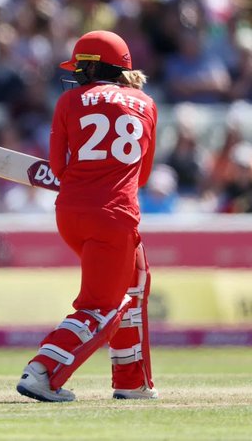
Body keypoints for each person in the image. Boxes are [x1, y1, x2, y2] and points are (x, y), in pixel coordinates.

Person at [16, 30, 158, 402]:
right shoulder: (146, 103)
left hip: (72, 214)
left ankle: (131, 382)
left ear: (95, 66)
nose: (76, 73)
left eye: (80, 66)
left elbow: (60, 168)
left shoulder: (69, 101)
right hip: (115, 215)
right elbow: (141, 175)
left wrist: (86, 179)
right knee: (101, 306)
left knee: (135, 285)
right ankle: (44, 372)